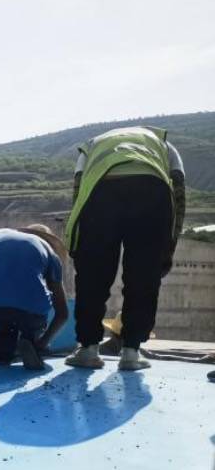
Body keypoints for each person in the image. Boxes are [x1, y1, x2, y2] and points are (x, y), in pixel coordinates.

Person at [64, 126, 186, 371]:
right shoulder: (164, 144)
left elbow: (78, 194)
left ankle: (88, 350)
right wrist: (168, 247)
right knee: (144, 275)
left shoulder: (92, 145)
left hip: (101, 190)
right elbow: (179, 195)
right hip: (152, 192)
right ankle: (131, 353)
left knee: (93, 276)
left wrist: (79, 244)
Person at [0, 225, 69, 370]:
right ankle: (31, 341)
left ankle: (5, 351)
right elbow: (62, 314)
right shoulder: (51, 254)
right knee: (32, 314)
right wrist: (44, 342)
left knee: (3, 315)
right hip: (32, 308)